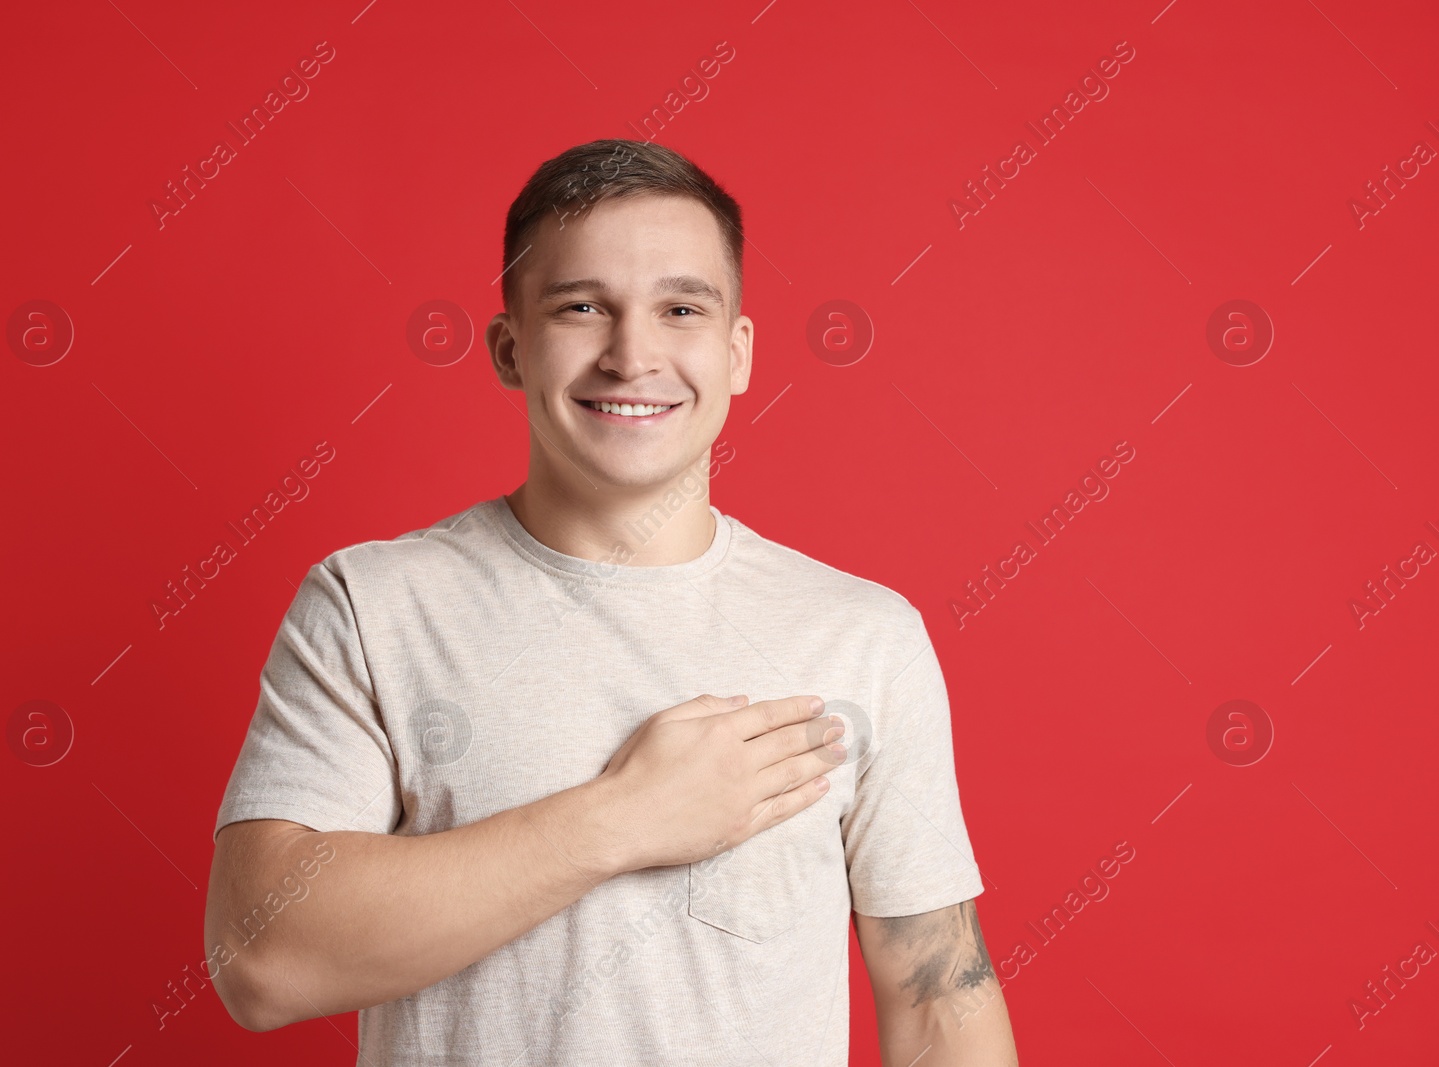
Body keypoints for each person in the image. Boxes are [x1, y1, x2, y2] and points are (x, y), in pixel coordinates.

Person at [205, 138, 1019, 1065]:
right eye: (583, 306)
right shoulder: (371, 605)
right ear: (511, 349)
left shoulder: (865, 638)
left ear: (737, 352)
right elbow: (259, 957)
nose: (633, 355)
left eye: (681, 308)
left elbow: (939, 1002)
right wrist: (629, 816)